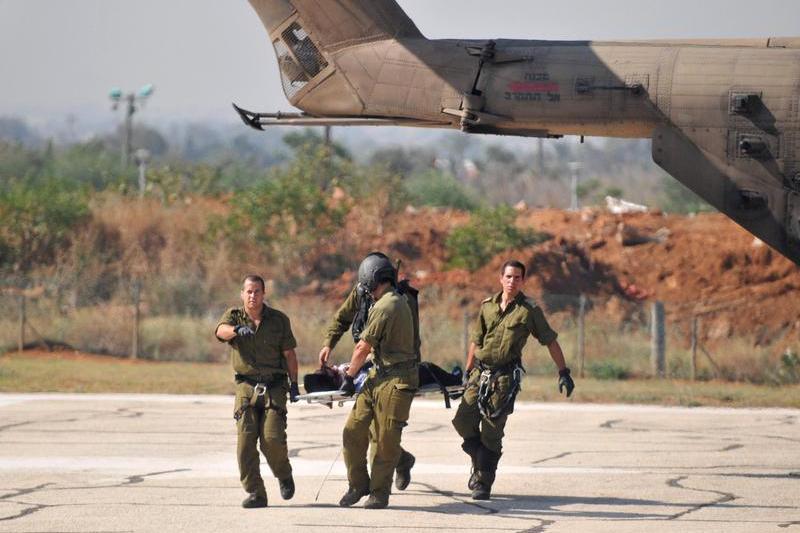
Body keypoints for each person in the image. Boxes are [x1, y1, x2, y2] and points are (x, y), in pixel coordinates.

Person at [452, 260, 575, 500]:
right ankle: (479, 458)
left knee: (491, 430)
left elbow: (549, 340)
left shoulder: (529, 310)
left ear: (523, 281)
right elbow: (476, 340)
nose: (512, 281)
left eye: (517, 278)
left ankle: (483, 481)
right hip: (480, 373)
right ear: (501, 278)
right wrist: (467, 373)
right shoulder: (487, 306)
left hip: (504, 378)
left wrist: (564, 371)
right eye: (508, 277)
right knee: (462, 421)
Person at [318, 252, 417, 492]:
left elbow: (412, 342)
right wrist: (329, 343)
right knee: (362, 430)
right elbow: (343, 317)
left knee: (382, 437)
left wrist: (351, 375)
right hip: (371, 365)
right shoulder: (364, 290)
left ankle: (377, 490)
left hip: (396, 369)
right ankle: (399, 462)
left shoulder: (399, 300)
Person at [215, 275, 301, 509]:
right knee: (245, 443)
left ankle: (284, 475)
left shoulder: (279, 320)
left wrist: (294, 384)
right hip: (246, 387)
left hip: (274, 386)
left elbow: (290, 355)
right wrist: (236, 330)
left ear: (264, 294)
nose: (253, 296)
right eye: (249, 291)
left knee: (271, 439)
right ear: (242, 293)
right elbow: (220, 331)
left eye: (257, 292)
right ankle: (256, 493)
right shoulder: (234, 316)